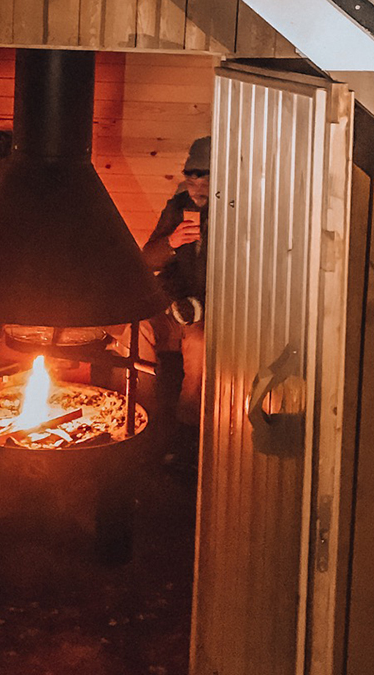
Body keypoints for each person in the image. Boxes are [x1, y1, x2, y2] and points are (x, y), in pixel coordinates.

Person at [142, 136, 210, 459]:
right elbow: (148, 259)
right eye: (191, 178)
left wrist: (199, 306)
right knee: (138, 326)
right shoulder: (178, 207)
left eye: (205, 177)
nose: (197, 187)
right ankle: (150, 414)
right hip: (178, 301)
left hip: (213, 309)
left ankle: (184, 431)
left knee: (197, 344)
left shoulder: (235, 212)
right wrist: (172, 241)